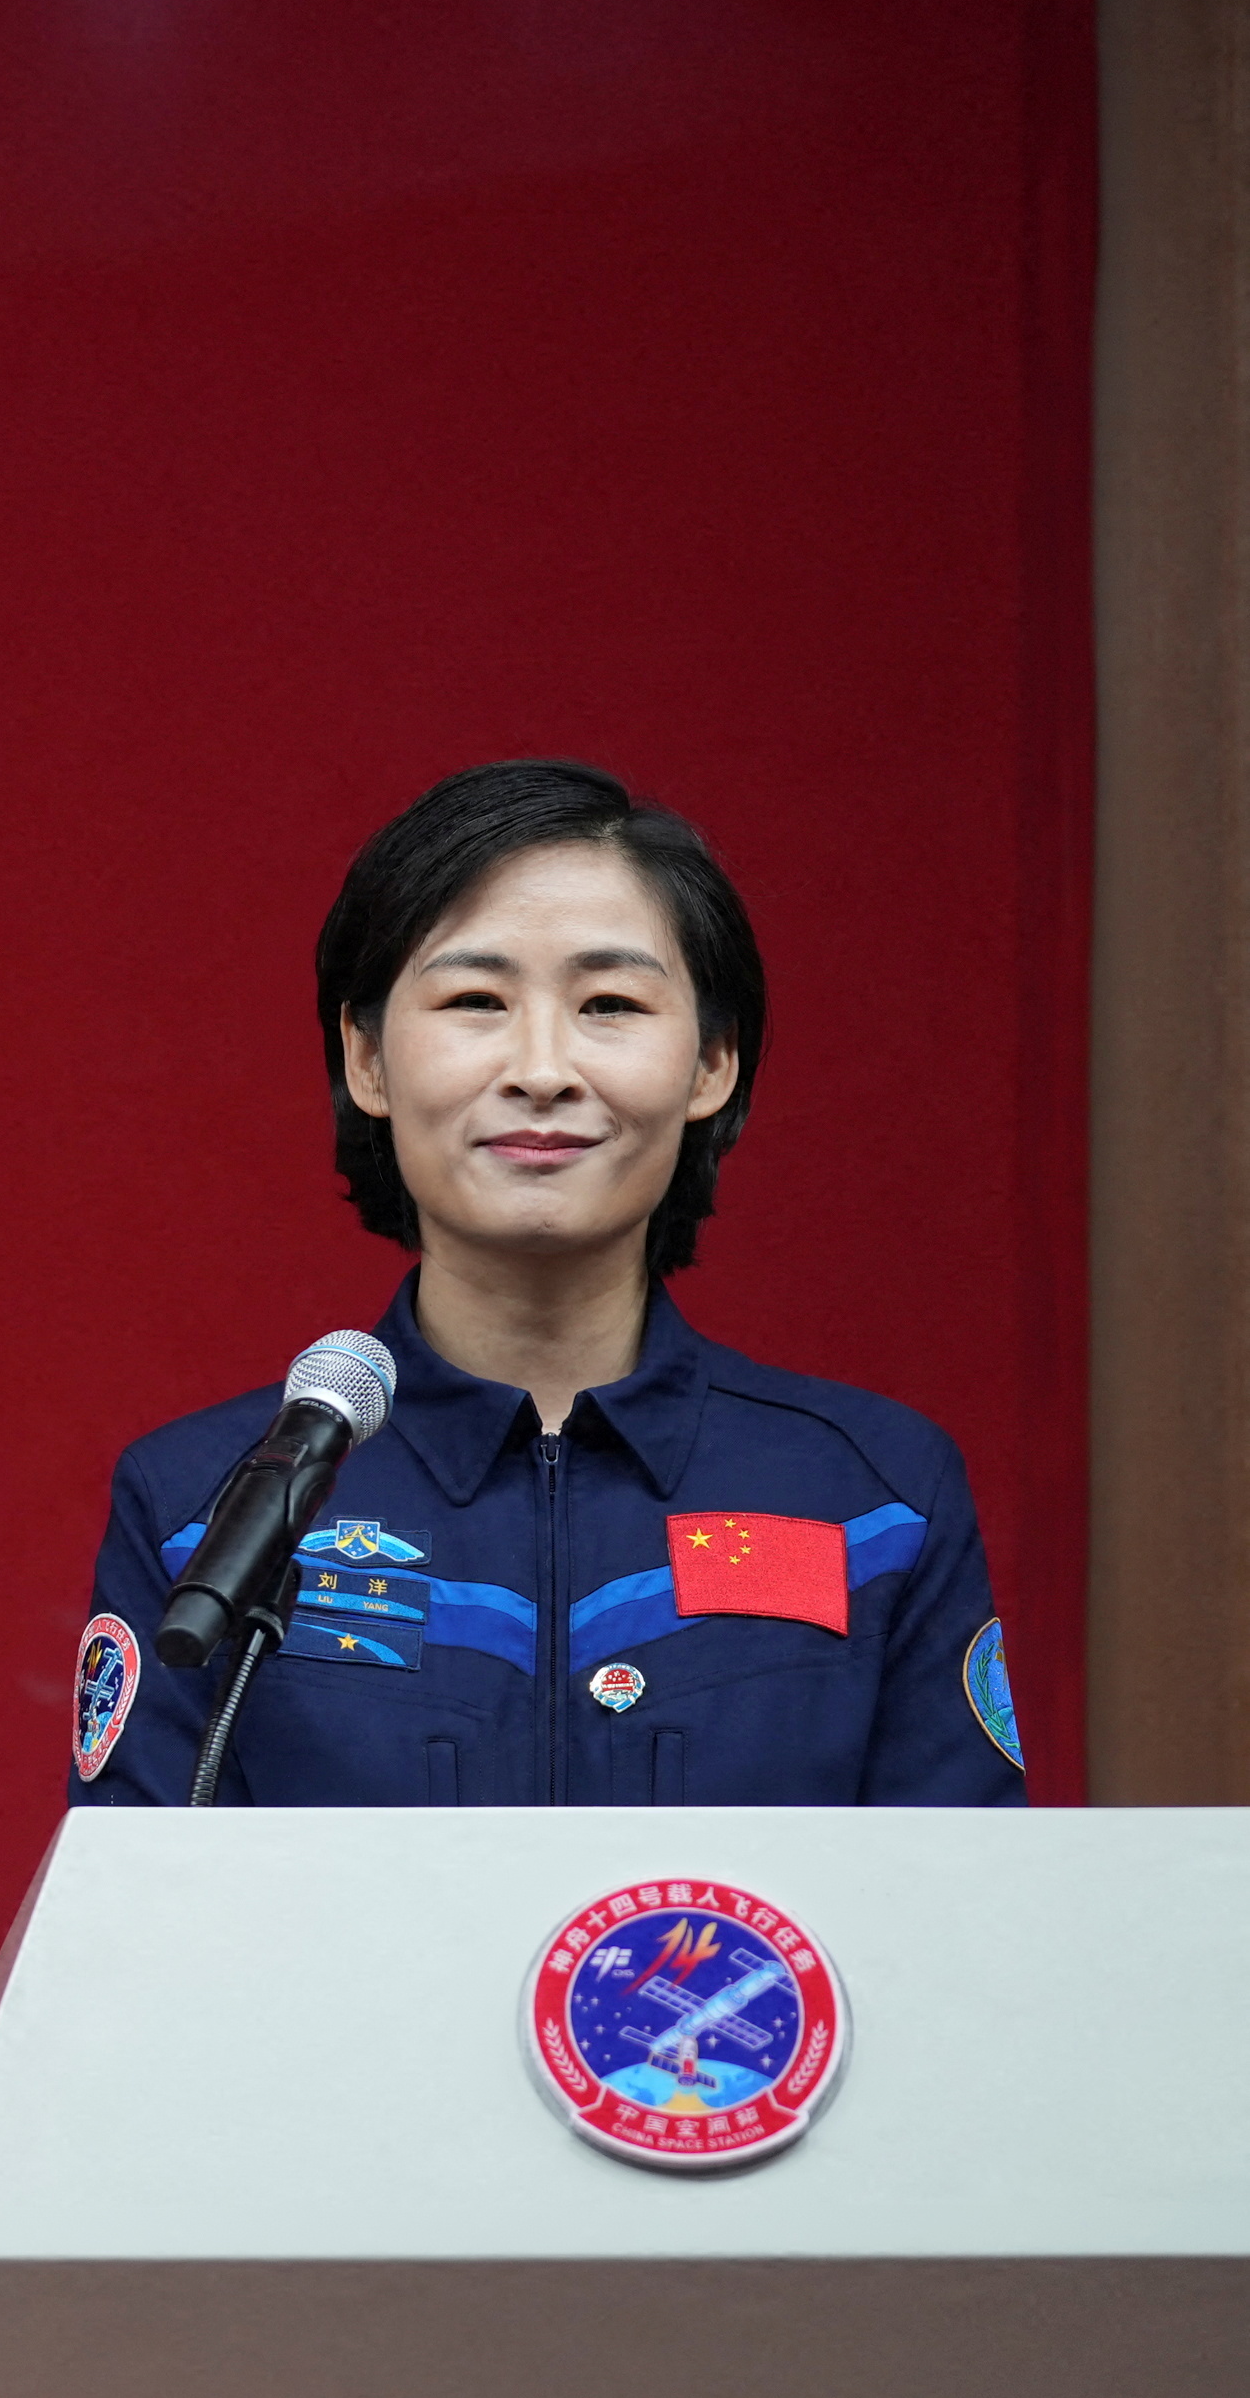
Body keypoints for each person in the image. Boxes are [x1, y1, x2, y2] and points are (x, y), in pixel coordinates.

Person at [70, 759, 1021, 1808]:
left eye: (608, 1002)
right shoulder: (208, 1506)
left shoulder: (874, 1499)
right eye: (475, 999)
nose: (541, 1067)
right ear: (366, 1058)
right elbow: (141, 1938)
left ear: (711, 1063)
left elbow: (960, 1935)